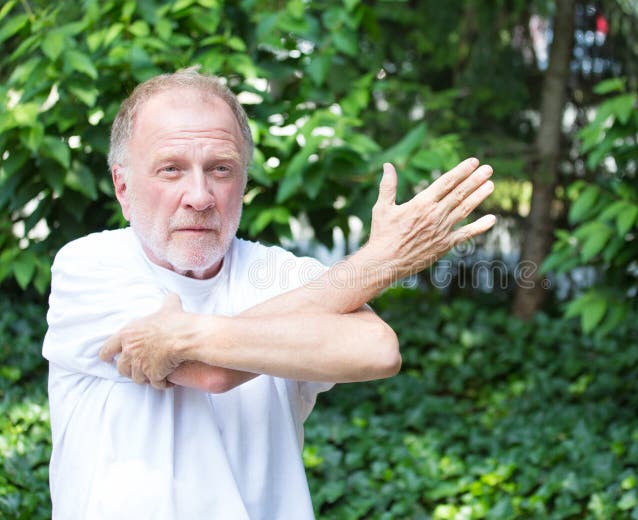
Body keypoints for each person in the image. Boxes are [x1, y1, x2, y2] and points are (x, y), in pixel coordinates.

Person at [42, 68, 496, 519]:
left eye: (221, 169)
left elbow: (378, 349)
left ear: (243, 183)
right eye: (171, 169)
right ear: (123, 186)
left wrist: (180, 336)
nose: (199, 196)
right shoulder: (90, 266)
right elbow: (210, 373)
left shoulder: (280, 272)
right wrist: (376, 265)